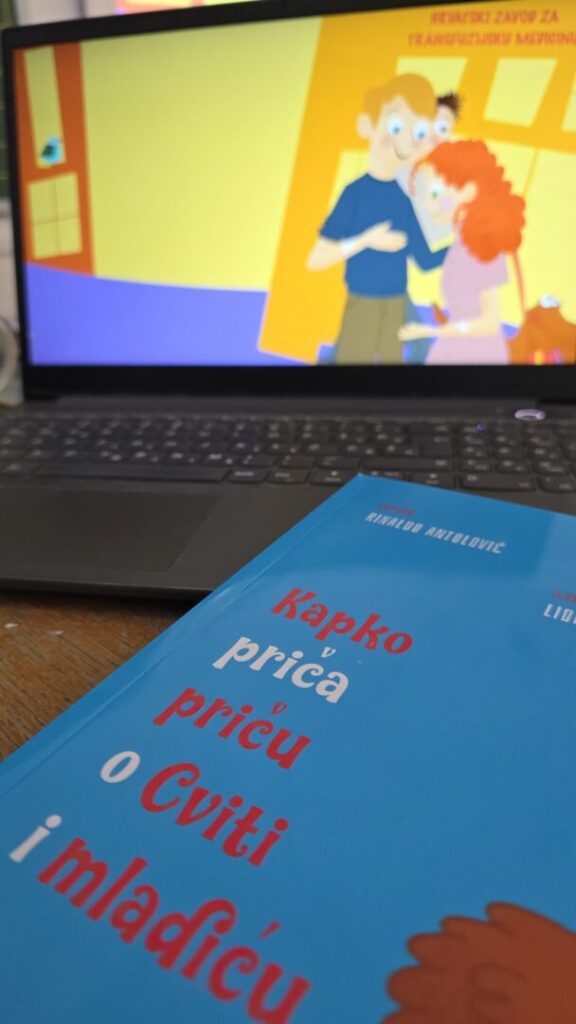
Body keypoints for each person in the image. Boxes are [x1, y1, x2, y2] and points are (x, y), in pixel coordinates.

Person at [306, 74, 448, 365]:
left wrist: (466, 245)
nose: (404, 140)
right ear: (366, 125)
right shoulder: (355, 193)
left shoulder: (405, 199)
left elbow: (424, 260)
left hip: (395, 307)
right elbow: (317, 258)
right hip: (363, 304)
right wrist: (365, 241)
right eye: (396, 126)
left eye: (417, 132)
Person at [398, 139, 525, 365]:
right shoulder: (459, 246)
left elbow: (489, 323)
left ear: (469, 190)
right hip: (454, 347)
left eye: (435, 194)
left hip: (478, 355)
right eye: (426, 195)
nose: (428, 205)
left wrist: (432, 331)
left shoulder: (483, 248)